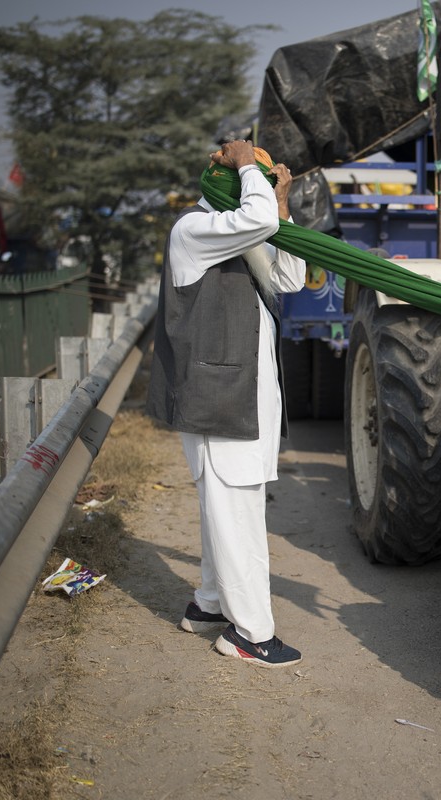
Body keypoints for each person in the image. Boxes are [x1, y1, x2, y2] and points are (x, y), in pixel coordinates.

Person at [146, 139, 307, 668]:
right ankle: (251, 636)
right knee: (236, 515)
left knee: (230, 509)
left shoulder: (239, 231)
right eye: (249, 175)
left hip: (244, 396)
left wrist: (282, 205)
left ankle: (210, 607)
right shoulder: (194, 230)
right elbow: (257, 218)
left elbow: (290, 276)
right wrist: (246, 165)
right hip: (220, 398)